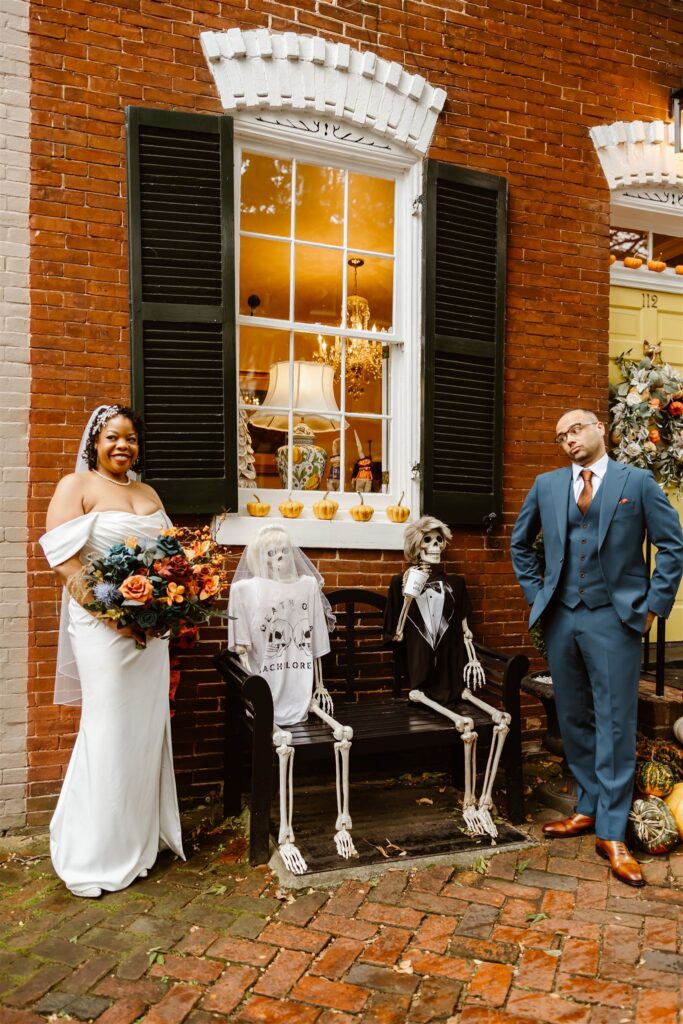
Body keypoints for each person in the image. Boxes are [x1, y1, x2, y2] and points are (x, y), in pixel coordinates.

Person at [511, 408, 683, 887]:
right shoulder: (546, 485)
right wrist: (538, 593)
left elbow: (672, 545)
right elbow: (519, 544)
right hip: (563, 618)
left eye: (575, 429)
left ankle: (612, 831)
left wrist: (654, 605)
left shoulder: (638, 482)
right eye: (560, 435)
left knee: (615, 720)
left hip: (615, 618)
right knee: (574, 716)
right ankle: (588, 806)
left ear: (599, 429)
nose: (568, 439)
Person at [39, 405, 185, 898]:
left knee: (144, 729)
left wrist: (166, 604)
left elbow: (171, 559)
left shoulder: (148, 492)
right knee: (108, 727)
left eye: (131, 439)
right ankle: (94, 851)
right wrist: (115, 618)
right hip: (102, 628)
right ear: (95, 443)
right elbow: (63, 559)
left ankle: (138, 842)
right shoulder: (75, 486)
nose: (123, 446)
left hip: (149, 632)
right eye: (112, 437)